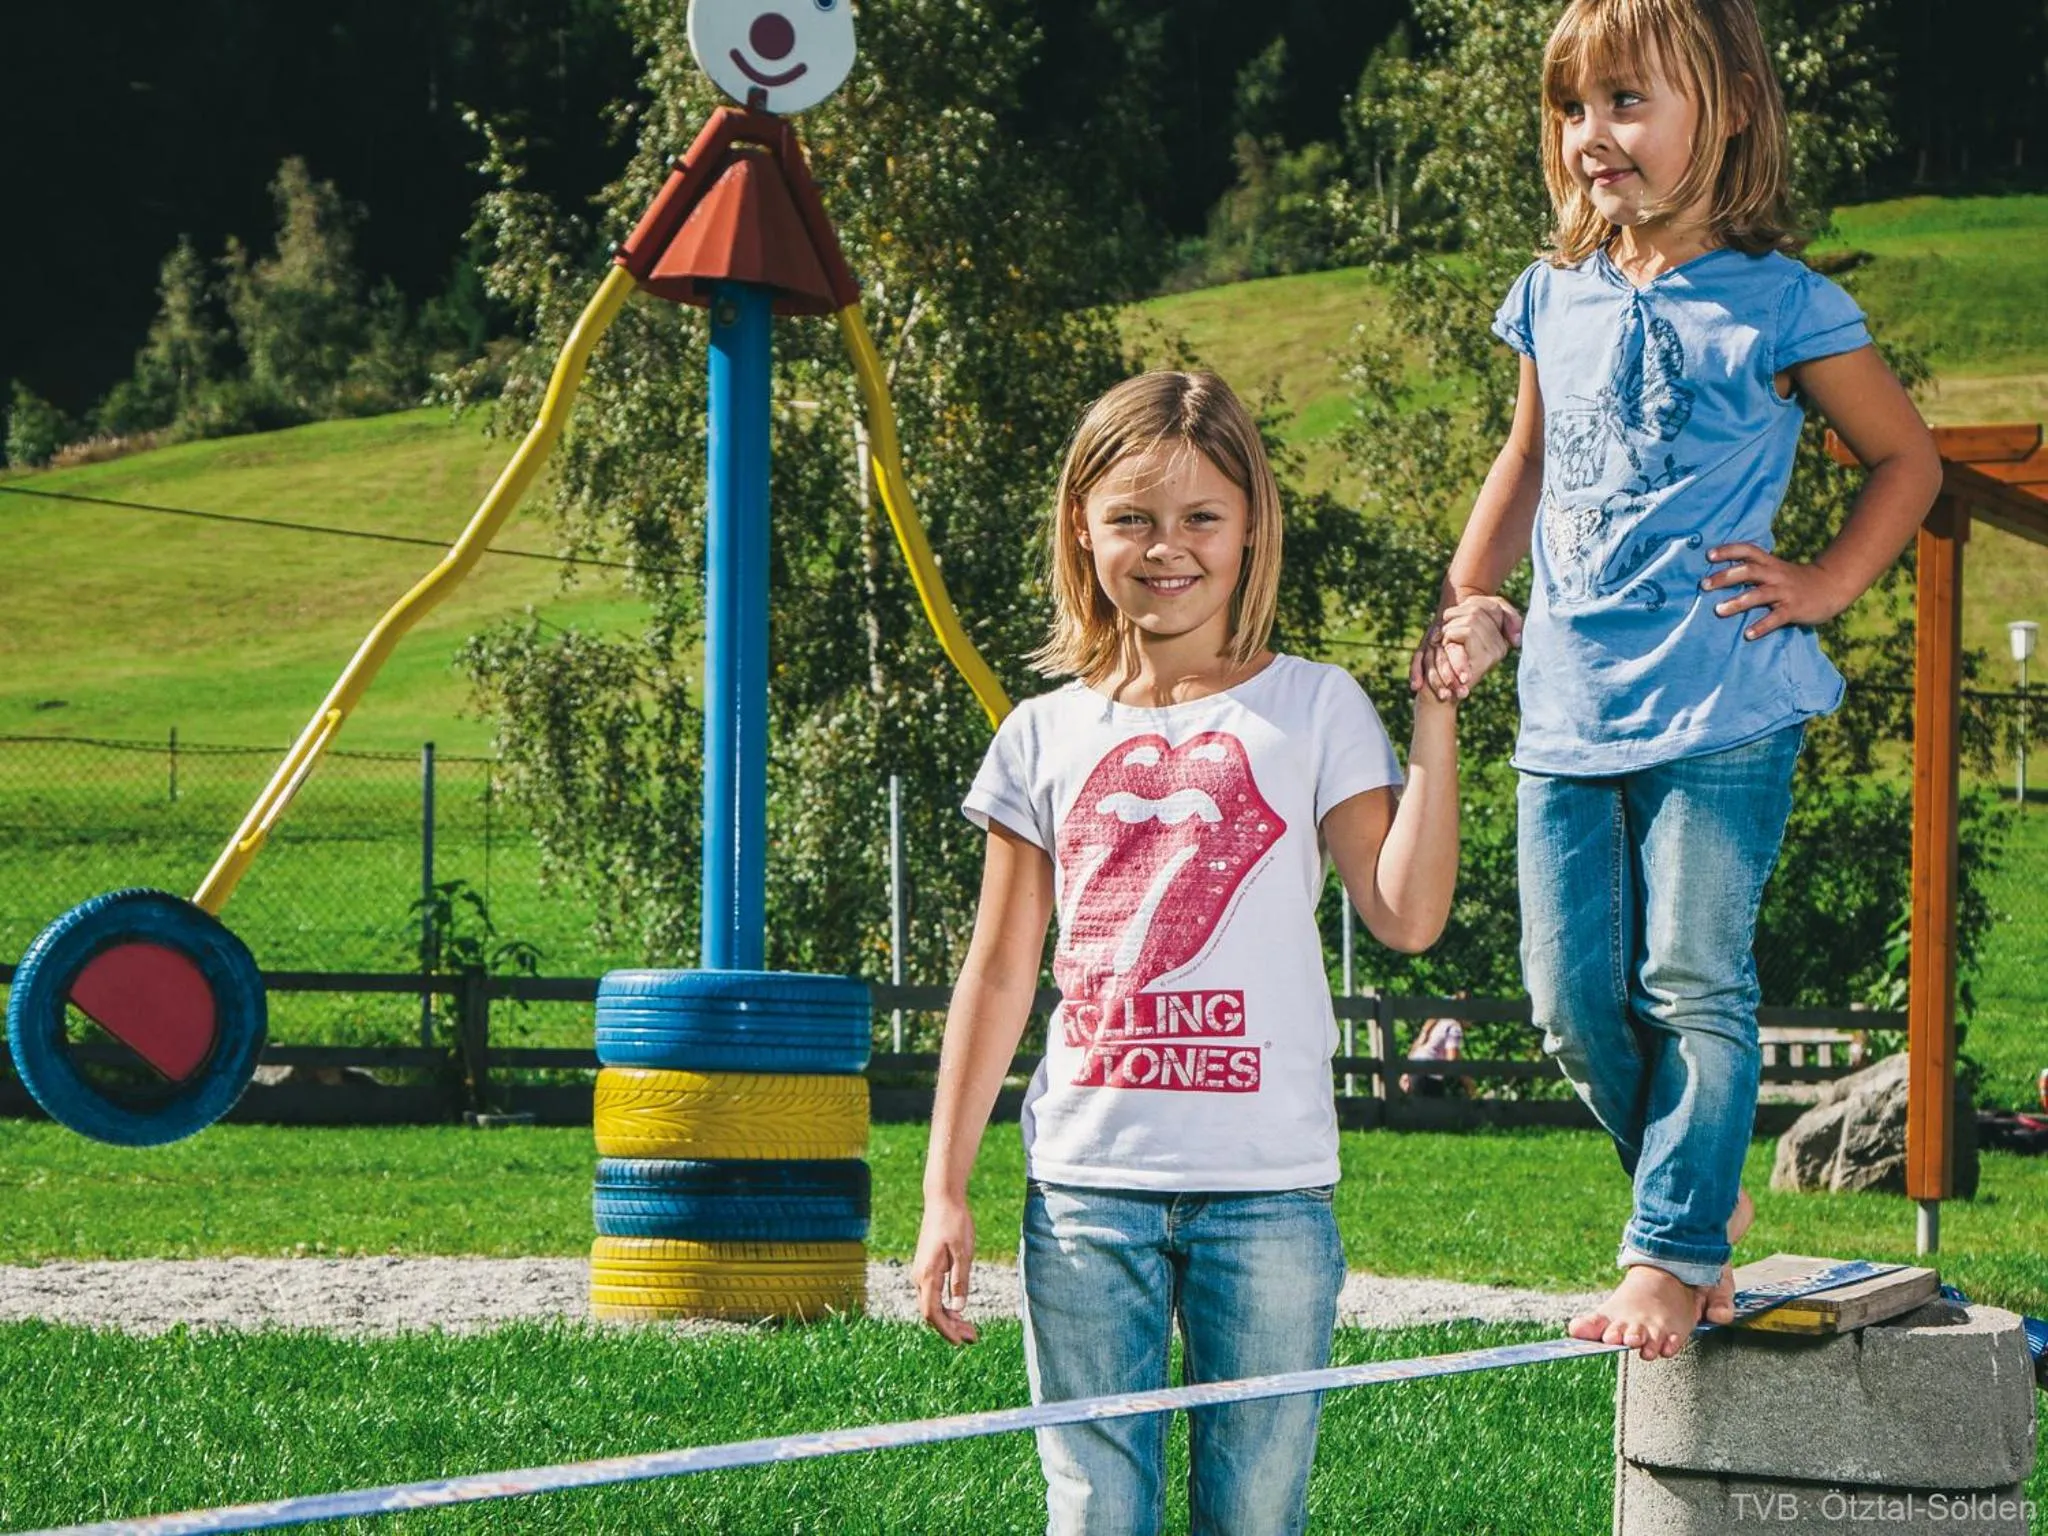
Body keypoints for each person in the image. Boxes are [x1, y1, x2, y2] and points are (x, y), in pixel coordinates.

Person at [1414, 0, 1942, 1363]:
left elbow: (1909, 463)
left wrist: (1822, 585)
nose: (1596, 136)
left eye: (1629, 103)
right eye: (1576, 108)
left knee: (1691, 977)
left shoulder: (1783, 304)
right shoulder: (1554, 296)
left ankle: (1672, 1247)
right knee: (1569, 1000)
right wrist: (1474, 598)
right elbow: (1525, 462)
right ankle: (1695, 1198)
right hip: (1568, 713)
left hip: (1724, 704)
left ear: (1733, 113)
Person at [913, 370, 1517, 1535]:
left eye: (1201, 517)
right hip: (1085, 1192)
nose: (1165, 548)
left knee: (1252, 1518)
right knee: (1094, 1514)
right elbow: (995, 973)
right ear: (1081, 530)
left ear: (1250, 528)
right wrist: (945, 1189)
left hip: (1269, 1193)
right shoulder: (1040, 732)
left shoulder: (1314, 706)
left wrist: (1433, 714)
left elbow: (1405, 916)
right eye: (1131, 518)